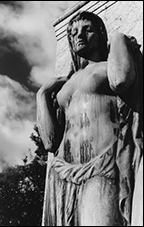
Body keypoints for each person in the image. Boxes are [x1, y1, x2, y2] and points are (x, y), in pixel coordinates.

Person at [37, 11, 143, 226]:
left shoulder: (107, 69)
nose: (80, 36)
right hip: (61, 174)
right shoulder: (63, 86)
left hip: (101, 167)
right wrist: (42, 95)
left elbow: (121, 81)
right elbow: (49, 142)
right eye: (74, 32)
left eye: (88, 29)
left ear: (101, 33)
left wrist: (118, 38)